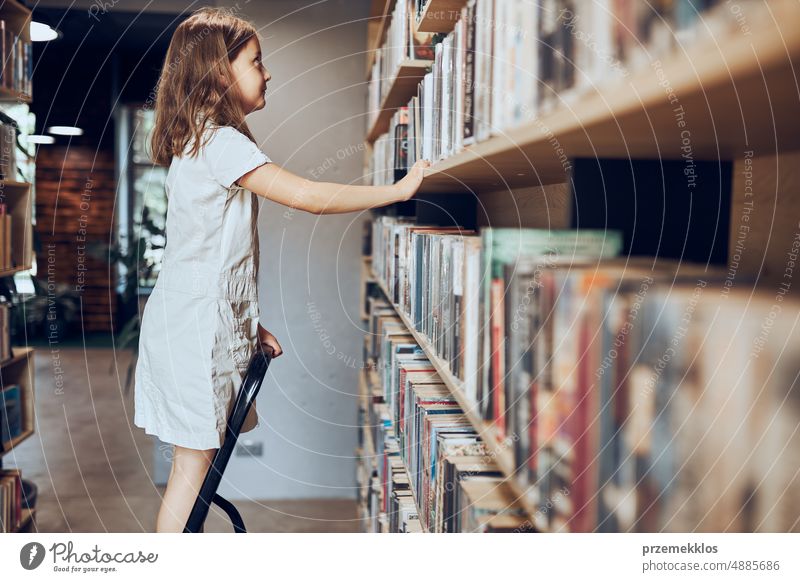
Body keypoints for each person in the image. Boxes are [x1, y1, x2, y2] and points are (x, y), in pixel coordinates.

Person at [134, 6, 429, 533]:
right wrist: (399, 189)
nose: (268, 72)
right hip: (197, 326)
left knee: (193, 468)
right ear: (219, 73)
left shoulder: (198, 142)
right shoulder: (221, 144)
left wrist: (248, 322)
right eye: (256, 61)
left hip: (194, 317)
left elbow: (202, 254)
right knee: (191, 471)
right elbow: (309, 197)